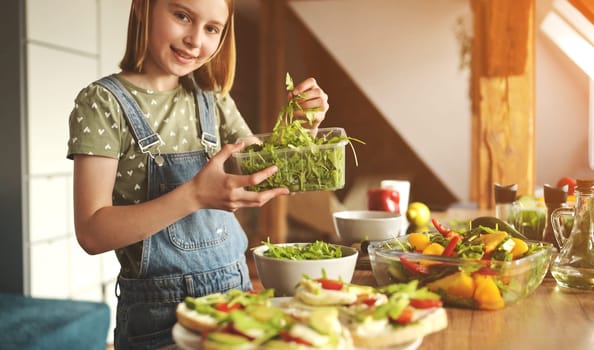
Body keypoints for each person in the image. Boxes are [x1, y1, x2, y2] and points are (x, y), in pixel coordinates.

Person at [66, 0, 329, 348]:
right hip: (158, 319)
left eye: (211, 29)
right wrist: (193, 195)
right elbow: (92, 233)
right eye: (182, 16)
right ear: (144, 7)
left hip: (237, 297)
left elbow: (268, 177)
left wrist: (301, 131)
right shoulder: (102, 102)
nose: (195, 40)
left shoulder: (213, 100)